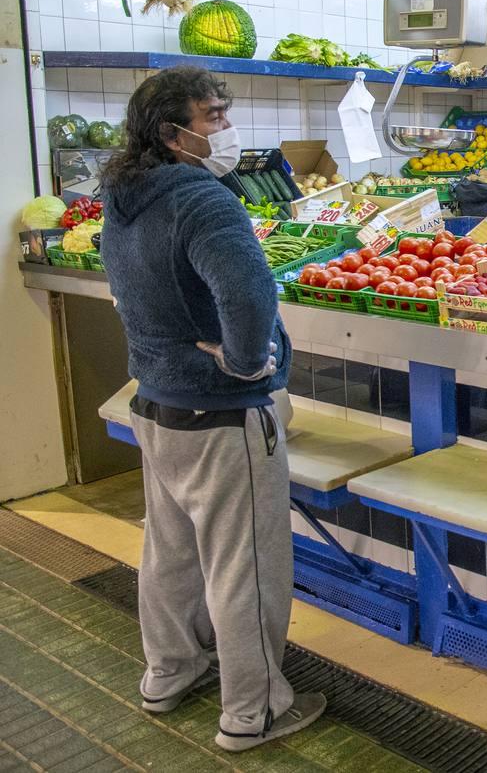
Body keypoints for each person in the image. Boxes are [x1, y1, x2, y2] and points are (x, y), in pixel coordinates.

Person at [98, 66, 325, 751]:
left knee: (169, 555)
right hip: (221, 417)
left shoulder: (123, 192)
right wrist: (250, 362)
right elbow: (248, 293)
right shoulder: (203, 200)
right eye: (213, 119)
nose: (227, 130)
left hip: (156, 401)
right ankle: (251, 713)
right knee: (245, 568)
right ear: (172, 133)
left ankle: (169, 672)